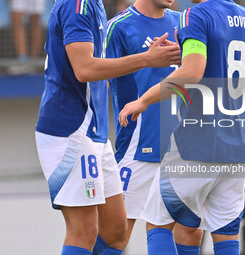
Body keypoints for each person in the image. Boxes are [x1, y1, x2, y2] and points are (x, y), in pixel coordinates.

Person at [35, 0, 180, 254]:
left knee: (115, 230)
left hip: (94, 133)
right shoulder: (77, 4)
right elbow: (84, 69)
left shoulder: (95, 5)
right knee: (84, 231)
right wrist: (147, 59)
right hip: (70, 129)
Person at [118, 0, 245, 254]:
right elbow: (223, 61)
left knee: (159, 223)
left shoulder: (193, 16)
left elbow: (191, 73)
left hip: (197, 143)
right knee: (226, 233)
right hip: (238, 146)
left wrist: (143, 100)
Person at [102, 0, 182, 253]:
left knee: (186, 234)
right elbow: (97, 85)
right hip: (138, 147)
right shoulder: (118, 27)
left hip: (183, 148)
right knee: (115, 236)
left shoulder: (184, 22)